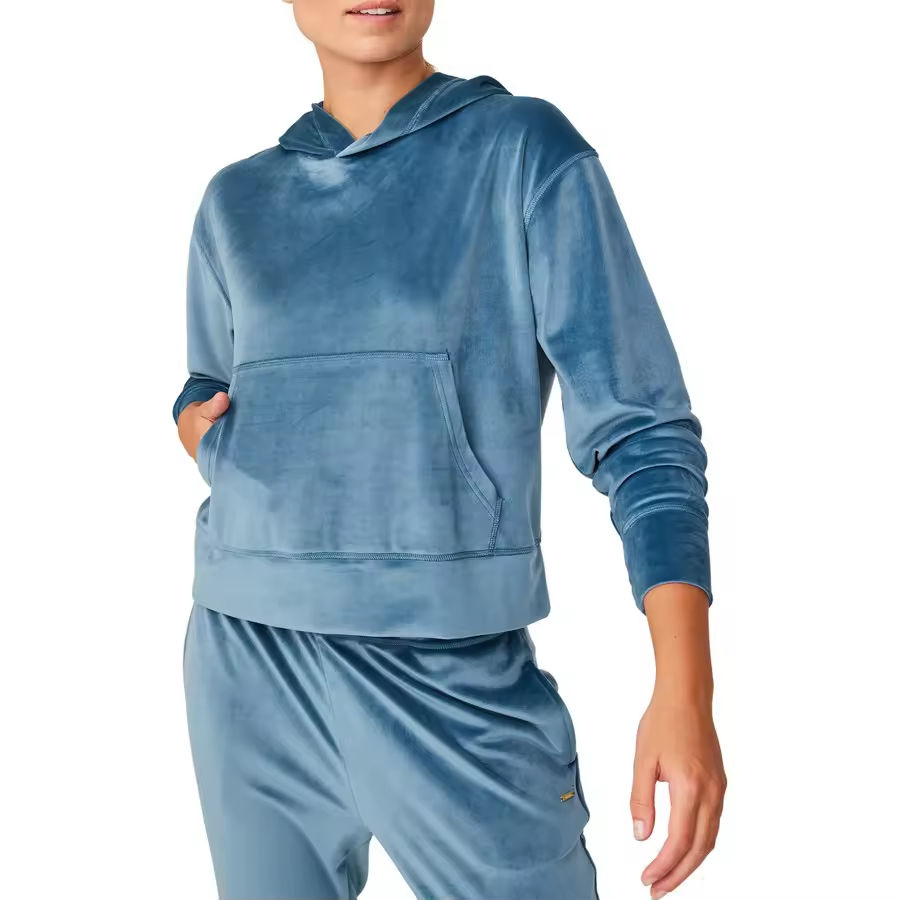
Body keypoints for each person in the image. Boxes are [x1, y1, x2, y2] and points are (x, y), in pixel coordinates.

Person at [173, 2, 727, 898]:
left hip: (453, 675)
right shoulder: (236, 199)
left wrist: (685, 689)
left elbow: (642, 430)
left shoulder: (522, 151)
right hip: (246, 659)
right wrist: (202, 428)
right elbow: (211, 379)